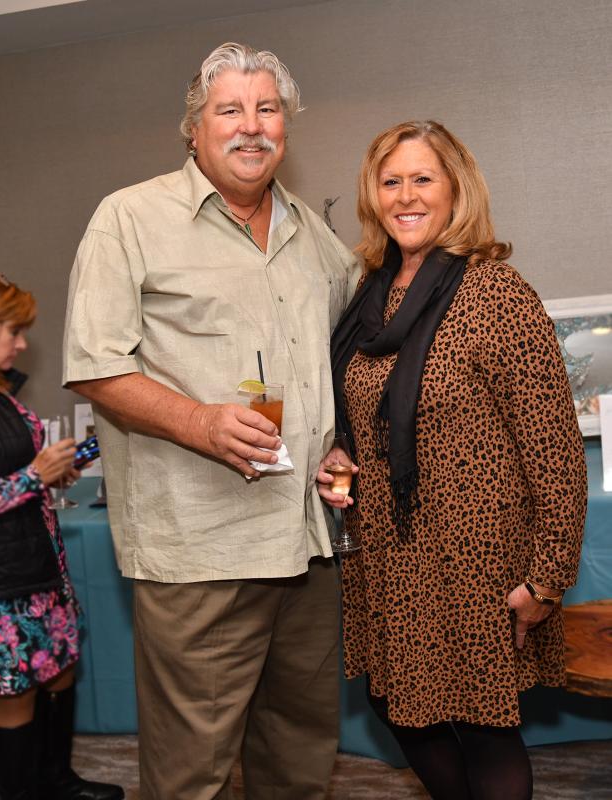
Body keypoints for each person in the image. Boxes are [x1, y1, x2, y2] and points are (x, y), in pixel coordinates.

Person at [63, 42, 359, 800]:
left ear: (285, 126)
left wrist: (336, 448)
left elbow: (341, 369)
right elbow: (96, 365)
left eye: (266, 110)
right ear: (194, 127)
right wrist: (200, 424)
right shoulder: (129, 218)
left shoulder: (315, 239)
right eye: (229, 110)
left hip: (307, 545)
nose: (250, 127)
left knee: (299, 758)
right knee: (193, 772)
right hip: (200, 549)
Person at [319, 121, 587, 800]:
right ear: (372, 195)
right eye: (390, 181)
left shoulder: (497, 294)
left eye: (422, 179)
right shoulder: (369, 296)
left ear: (454, 190)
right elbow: (360, 419)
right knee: (396, 708)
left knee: (485, 727)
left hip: (475, 562)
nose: (405, 195)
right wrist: (340, 465)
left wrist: (548, 578)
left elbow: (554, 452)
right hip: (387, 556)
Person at [0, 275, 124, 800]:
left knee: (58, 673)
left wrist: (57, 469)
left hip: (40, 569)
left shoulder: (5, 395)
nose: (23, 342)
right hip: (7, 585)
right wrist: (33, 477)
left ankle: (57, 780)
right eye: (12, 329)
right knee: (18, 694)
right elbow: (19, 479)